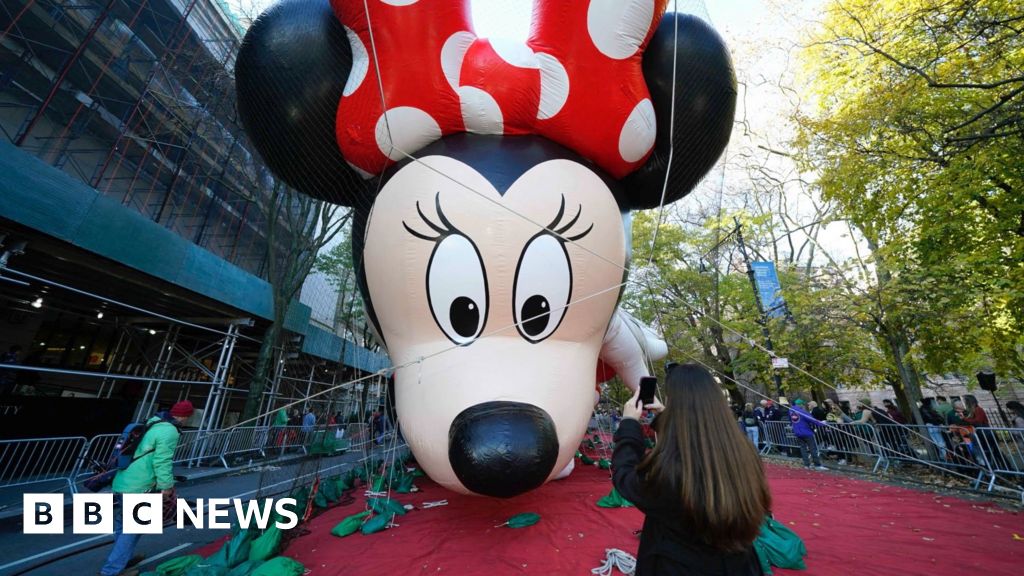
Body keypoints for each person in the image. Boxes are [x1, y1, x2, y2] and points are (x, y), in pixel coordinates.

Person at [612, 363, 769, 574]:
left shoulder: (672, 469)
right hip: (737, 565)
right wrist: (666, 417)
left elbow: (626, 478)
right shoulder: (743, 453)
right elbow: (693, 438)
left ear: (675, 405)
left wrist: (629, 423)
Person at [100, 400, 193, 576]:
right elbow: (162, 461)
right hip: (140, 485)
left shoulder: (151, 422)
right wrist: (166, 486)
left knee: (123, 524)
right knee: (133, 528)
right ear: (186, 416)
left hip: (123, 480)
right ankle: (111, 570)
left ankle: (121, 559)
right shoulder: (169, 431)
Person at [963, 394, 1007, 470]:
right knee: (990, 452)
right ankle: (997, 468)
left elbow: (978, 421)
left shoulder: (978, 409)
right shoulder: (974, 410)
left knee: (995, 451)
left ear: (969, 402)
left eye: (965, 401)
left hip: (986, 433)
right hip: (982, 433)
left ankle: (1006, 467)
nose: (964, 403)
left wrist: (965, 419)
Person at [790, 399, 829, 470]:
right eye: (802, 405)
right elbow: (812, 420)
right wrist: (822, 423)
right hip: (806, 432)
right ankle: (817, 465)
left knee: (803, 448)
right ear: (800, 404)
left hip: (798, 432)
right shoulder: (802, 412)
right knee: (813, 448)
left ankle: (806, 465)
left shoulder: (790, 411)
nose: (803, 406)